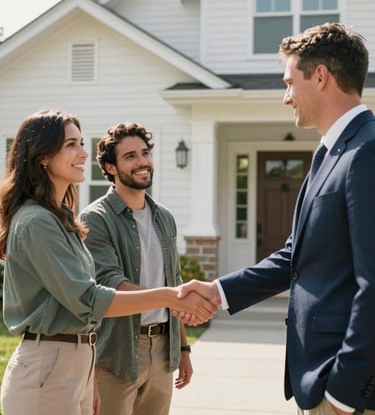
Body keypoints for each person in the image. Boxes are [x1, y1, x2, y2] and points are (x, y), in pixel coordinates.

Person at [179, 22, 375, 415]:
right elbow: (296, 258)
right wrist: (218, 292)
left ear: (320, 77)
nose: (285, 97)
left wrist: (344, 392)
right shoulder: (329, 155)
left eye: (289, 82)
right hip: (315, 382)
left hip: (343, 392)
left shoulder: (366, 153)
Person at [0, 109, 217, 415]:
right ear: (42, 157)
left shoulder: (62, 219)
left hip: (76, 360)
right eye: (71, 145)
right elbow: (89, 298)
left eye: (80, 143)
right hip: (49, 365)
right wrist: (173, 297)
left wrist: (88, 375)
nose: (82, 152)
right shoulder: (37, 222)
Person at [78, 122, 192, 415]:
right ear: (111, 167)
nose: (142, 161)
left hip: (164, 349)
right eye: (130, 156)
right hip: (117, 352)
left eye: (145, 153)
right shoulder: (95, 219)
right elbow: (111, 284)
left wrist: (183, 348)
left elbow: (174, 280)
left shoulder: (164, 217)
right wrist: (172, 296)